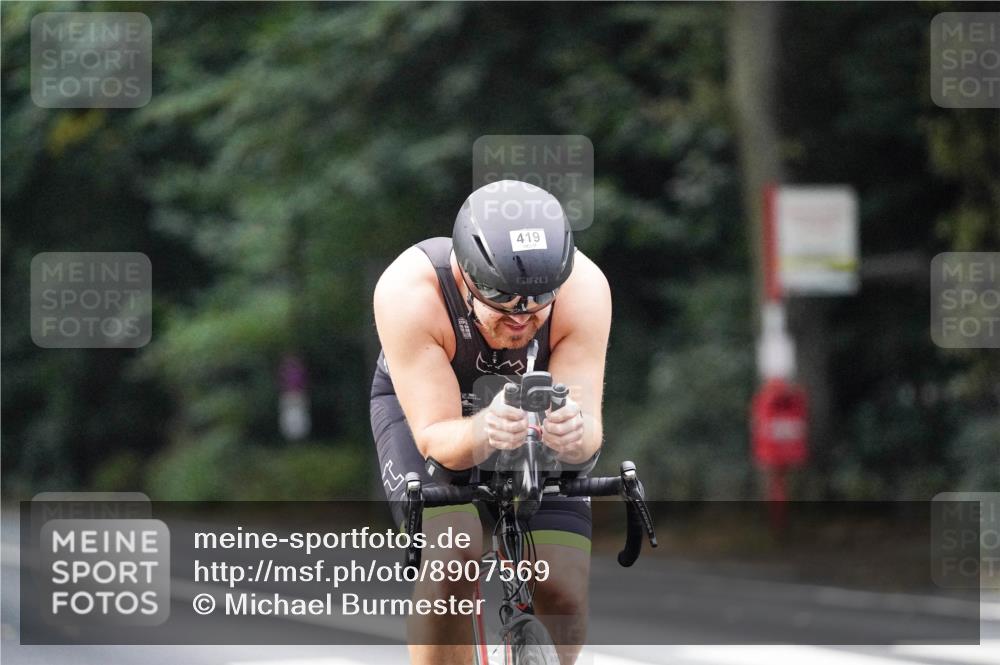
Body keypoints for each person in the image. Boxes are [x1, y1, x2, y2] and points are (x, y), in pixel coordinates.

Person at [370, 179, 611, 665]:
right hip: (432, 413)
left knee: (562, 589)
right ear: (463, 276)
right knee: (453, 559)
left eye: (539, 300)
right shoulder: (410, 291)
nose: (522, 318)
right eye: (502, 298)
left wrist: (573, 434)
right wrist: (483, 431)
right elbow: (437, 436)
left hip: (532, 421)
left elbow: (588, 433)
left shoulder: (584, 288)